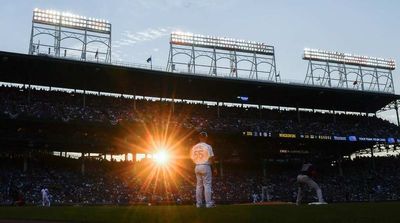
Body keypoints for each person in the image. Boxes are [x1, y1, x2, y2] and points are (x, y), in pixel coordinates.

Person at [190, 131, 215, 208]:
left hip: (197, 166)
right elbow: (211, 158)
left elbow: (191, 158)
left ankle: (198, 204)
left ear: (199, 137)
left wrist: (197, 163)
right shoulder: (208, 146)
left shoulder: (194, 147)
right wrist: (214, 168)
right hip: (205, 165)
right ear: (206, 137)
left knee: (199, 186)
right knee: (207, 185)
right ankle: (208, 203)